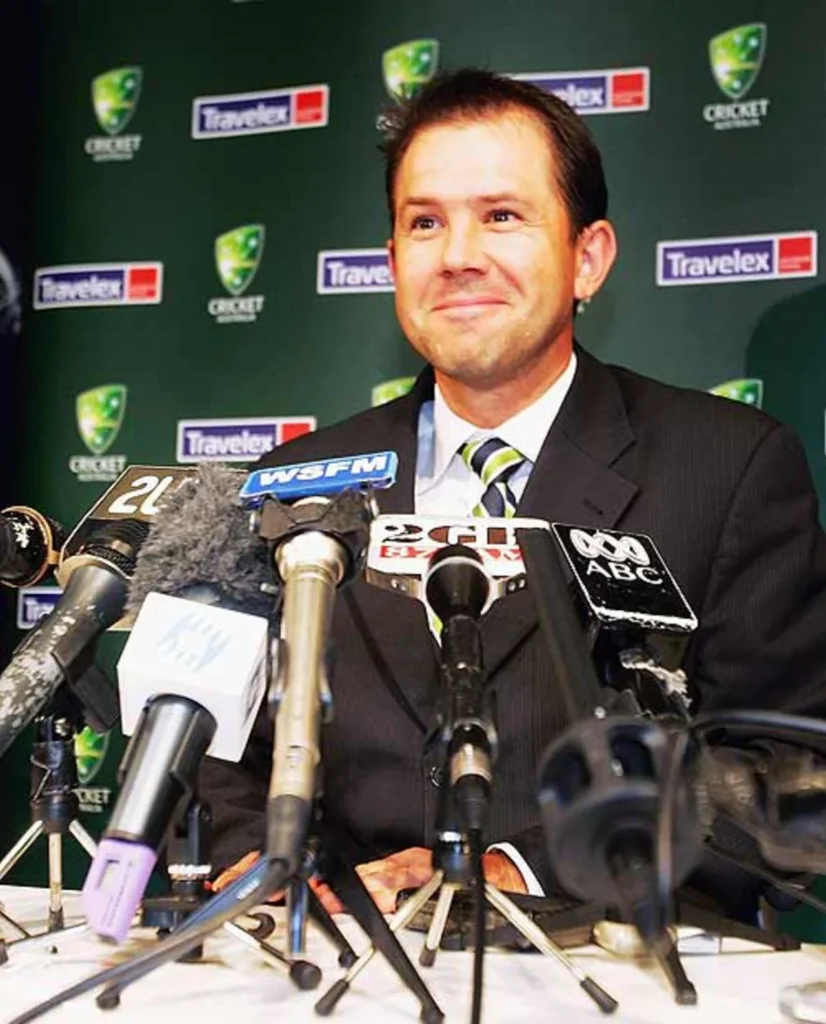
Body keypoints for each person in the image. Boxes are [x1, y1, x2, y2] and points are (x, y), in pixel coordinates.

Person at [204, 69, 826, 917]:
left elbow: (777, 775)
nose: (458, 256)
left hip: (611, 970)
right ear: (392, 263)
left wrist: (511, 872)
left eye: (501, 216)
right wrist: (256, 862)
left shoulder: (729, 467)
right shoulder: (297, 484)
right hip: (343, 969)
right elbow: (217, 752)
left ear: (588, 257)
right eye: (424, 223)